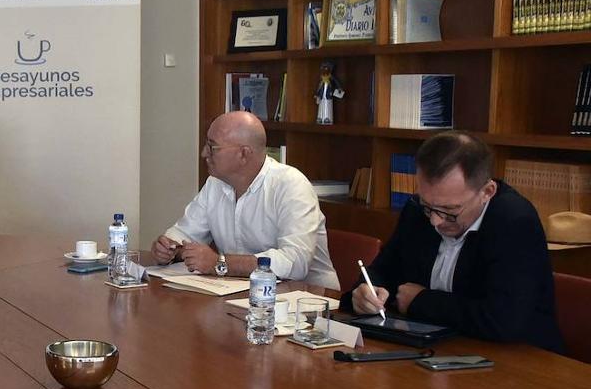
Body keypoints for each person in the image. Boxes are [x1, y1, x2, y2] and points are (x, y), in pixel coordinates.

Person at [343, 131, 563, 352]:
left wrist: (421, 301)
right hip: (440, 348)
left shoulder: (514, 221)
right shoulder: (417, 210)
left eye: (450, 210)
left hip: (519, 359)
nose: (435, 221)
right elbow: (384, 269)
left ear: (487, 192)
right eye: (427, 204)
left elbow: (504, 320)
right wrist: (364, 292)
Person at [150, 111, 338, 289]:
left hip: (307, 303)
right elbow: (184, 233)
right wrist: (167, 248)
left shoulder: (291, 185)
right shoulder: (215, 184)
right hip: (240, 294)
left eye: (212, 147)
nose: (204, 154)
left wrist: (220, 263)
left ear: (244, 154)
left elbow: (295, 262)